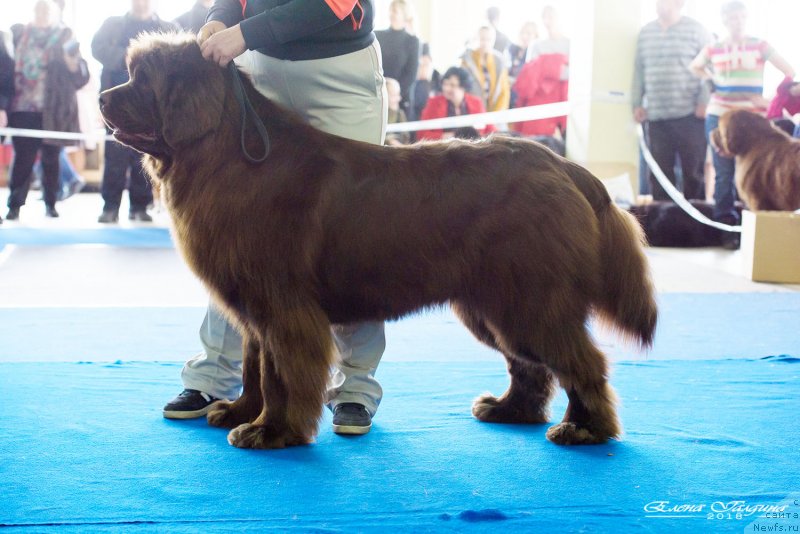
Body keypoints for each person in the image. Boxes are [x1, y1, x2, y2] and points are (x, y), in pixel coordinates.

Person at [163, 0, 388, 436]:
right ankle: (214, 376)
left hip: (337, 74)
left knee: (355, 233)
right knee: (235, 230)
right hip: (255, 68)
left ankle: (355, 386)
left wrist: (245, 34)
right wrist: (218, 19)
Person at [690, 0, 796, 249]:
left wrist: (769, 98)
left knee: (758, 176)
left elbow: (789, 71)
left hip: (753, 121)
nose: (736, 22)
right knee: (724, 174)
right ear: (724, 20)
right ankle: (727, 230)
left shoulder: (759, 45)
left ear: (745, 18)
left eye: (740, 17)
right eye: (731, 18)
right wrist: (711, 78)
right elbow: (695, 66)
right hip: (720, 115)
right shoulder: (714, 47)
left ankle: (756, 230)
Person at [92, 0, 176, 224]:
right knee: (114, 158)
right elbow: (97, 48)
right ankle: (110, 207)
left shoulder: (168, 28)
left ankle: (140, 207)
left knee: (146, 158)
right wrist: (130, 57)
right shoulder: (112, 25)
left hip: (150, 111)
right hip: (116, 107)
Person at [5, 0, 88, 221]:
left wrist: (72, 64)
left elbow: (81, 75)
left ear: (54, 13)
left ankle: (51, 203)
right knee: (23, 158)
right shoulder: (18, 33)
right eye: (38, 9)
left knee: (52, 159)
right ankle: (14, 205)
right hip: (22, 108)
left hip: (54, 110)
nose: (42, 13)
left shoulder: (65, 36)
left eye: (46, 10)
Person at [632, 0, 711, 202]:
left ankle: (696, 229)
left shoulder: (696, 30)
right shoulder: (646, 33)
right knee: (659, 176)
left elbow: (709, 69)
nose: (659, 4)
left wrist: (703, 101)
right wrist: (636, 103)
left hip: (690, 116)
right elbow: (639, 71)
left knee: (693, 174)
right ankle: (663, 226)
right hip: (656, 117)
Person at [417, 66, 495, 140]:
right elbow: (421, 134)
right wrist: (449, 136)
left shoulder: (476, 102)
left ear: (463, 87)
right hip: (444, 149)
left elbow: (491, 130)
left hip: (473, 149)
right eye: (445, 84)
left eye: (452, 85)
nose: (446, 88)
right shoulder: (433, 103)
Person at [375, 0, 419, 116]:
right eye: (390, 10)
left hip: (400, 99)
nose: (391, 13)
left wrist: (393, 95)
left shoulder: (412, 41)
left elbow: (411, 74)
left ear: (404, 15)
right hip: (379, 95)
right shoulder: (378, 36)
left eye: (395, 11)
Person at [461, 26, 510, 113]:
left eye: (488, 39)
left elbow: (503, 90)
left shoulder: (499, 61)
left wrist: (496, 115)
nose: (485, 43)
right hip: (472, 112)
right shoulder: (466, 60)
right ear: (476, 39)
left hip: (494, 113)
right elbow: (463, 89)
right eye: (482, 39)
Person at [385, 78, 410, 146]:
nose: (399, 98)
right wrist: (390, 141)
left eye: (398, 94)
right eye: (393, 95)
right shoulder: (377, 114)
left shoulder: (400, 114)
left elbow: (406, 137)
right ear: (384, 96)